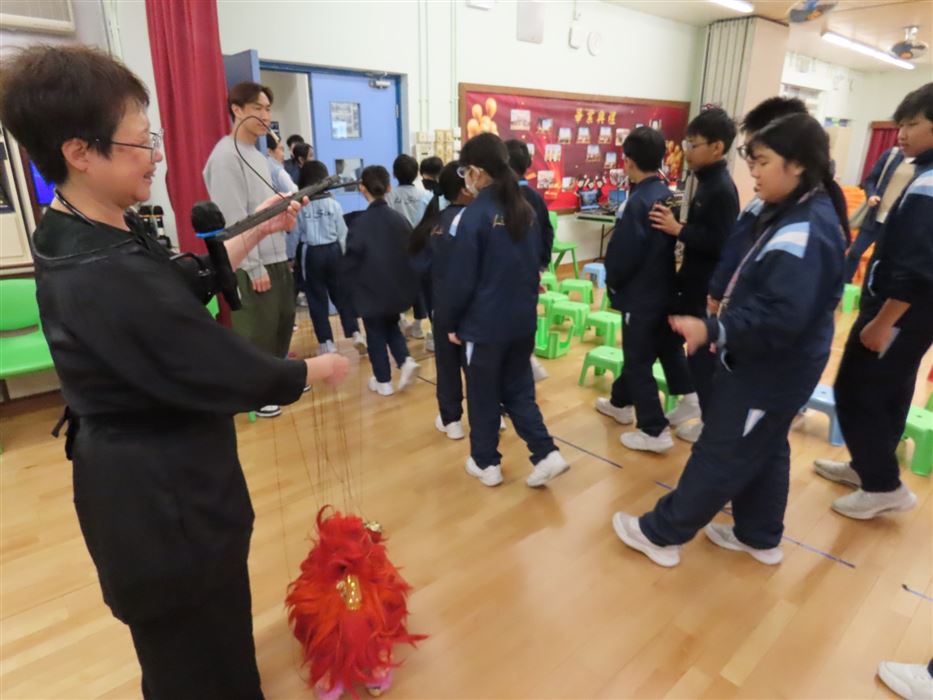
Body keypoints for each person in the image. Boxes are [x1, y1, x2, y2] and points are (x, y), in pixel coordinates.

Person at [0, 45, 350, 700]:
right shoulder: (102, 272)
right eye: (142, 141)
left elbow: (172, 283)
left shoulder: (84, 227)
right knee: (197, 660)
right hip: (162, 502)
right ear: (79, 151)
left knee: (205, 641)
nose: (155, 155)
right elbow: (215, 363)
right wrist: (310, 369)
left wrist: (255, 232)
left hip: (155, 482)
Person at [612, 113, 847, 568]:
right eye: (751, 160)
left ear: (798, 164)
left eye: (762, 161)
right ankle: (759, 536)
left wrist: (715, 328)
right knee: (766, 445)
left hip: (771, 366)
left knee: (722, 449)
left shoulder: (804, 230)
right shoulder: (791, 210)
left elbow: (782, 314)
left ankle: (662, 533)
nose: (753, 172)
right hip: (775, 360)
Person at [814, 82, 933, 520]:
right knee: (891, 390)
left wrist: (883, 321)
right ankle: (868, 467)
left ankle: (883, 485)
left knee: (856, 388)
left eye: (913, 124)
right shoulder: (921, 174)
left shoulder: (928, 186)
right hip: (910, 313)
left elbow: (918, 268)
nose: (902, 133)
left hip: (901, 312)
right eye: (900, 124)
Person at [436, 133, 569, 488]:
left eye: (465, 171)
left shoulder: (473, 216)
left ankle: (486, 463)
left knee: (482, 396)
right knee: (518, 391)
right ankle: (547, 454)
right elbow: (533, 265)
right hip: (522, 320)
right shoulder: (526, 209)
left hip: (484, 326)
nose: (465, 178)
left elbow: (460, 279)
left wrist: (450, 322)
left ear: (478, 172)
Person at [599, 127, 695, 454]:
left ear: (627, 161)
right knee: (654, 349)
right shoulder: (670, 194)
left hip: (640, 294)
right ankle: (620, 403)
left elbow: (624, 253)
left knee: (638, 360)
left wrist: (612, 282)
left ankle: (654, 430)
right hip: (666, 288)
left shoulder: (637, 202)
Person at [203, 81, 295, 419]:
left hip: (276, 255)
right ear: (237, 110)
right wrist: (254, 265)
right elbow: (233, 218)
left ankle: (277, 383)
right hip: (250, 261)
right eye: (257, 108)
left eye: (268, 109)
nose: (265, 116)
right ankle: (256, 394)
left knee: (281, 323)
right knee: (257, 330)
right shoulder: (225, 156)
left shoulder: (258, 154)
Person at [648, 107, 739, 443]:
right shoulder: (706, 182)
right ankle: (689, 398)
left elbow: (721, 242)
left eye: (693, 144)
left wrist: (678, 229)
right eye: (686, 143)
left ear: (717, 148)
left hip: (704, 285)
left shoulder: (721, 189)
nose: (686, 151)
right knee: (668, 339)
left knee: (699, 354)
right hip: (690, 279)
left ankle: (710, 421)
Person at [342, 165, 420, 396]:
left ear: (362, 188)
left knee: (375, 332)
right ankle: (405, 360)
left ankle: (383, 381)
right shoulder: (400, 220)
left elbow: (351, 260)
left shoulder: (359, 223)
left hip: (370, 289)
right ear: (389, 187)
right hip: (396, 287)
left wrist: (348, 293)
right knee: (391, 324)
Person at [410, 162, 474, 439]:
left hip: (443, 306)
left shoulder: (433, 223)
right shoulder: (482, 220)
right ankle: (492, 417)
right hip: (477, 308)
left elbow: (419, 268)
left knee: (447, 365)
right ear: (466, 187)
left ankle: (452, 422)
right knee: (477, 365)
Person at [294, 160, 366, 355]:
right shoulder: (334, 204)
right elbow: (343, 234)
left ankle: (327, 343)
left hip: (311, 254)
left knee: (316, 298)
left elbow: (295, 234)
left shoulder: (301, 206)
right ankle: (355, 333)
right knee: (342, 294)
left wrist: (291, 257)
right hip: (334, 252)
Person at [506, 138, 553, 382]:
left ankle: (523, 360)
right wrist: (541, 266)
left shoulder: (505, 198)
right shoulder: (535, 197)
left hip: (510, 270)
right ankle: (528, 356)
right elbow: (547, 233)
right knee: (527, 313)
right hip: (531, 269)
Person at [844, 145, 912, 282]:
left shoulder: (926, 164)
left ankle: (870, 290)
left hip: (898, 221)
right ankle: (843, 285)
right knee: (855, 252)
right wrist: (871, 195)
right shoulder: (892, 154)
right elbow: (870, 180)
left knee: (882, 260)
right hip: (876, 215)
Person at [388, 154, 431, 339]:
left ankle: (400, 320)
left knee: (397, 283)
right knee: (419, 285)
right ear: (416, 174)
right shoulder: (425, 195)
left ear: (394, 174)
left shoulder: (390, 195)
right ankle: (418, 325)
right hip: (420, 245)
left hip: (396, 246)